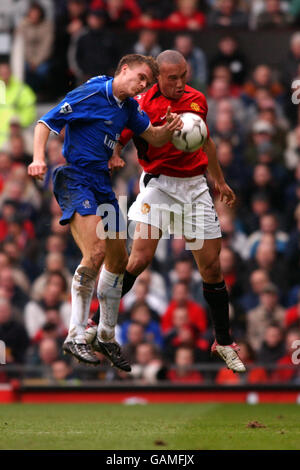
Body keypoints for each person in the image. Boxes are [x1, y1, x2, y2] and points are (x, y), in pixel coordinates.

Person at [87, 50, 246, 373]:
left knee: (212, 269)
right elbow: (121, 135)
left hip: (195, 188)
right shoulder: (143, 103)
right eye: (172, 78)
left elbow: (206, 142)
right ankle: (94, 324)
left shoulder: (197, 99)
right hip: (158, 186)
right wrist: (116, 153)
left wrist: (219, 181)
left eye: (183, 76)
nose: (179, 83)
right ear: (158, 77)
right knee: (139, 258)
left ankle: (223, 342)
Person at [28, 53, 182, 369]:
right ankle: (74, 335)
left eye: (147, 83)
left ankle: (105, 335)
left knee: (118, 258)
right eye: (140, 78)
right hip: (76, 179)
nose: (142, 86)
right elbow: (45, 122)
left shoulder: (128, 108)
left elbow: (152, 135)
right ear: (123, 70)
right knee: (96, 252)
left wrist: (172, 128)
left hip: (102, 185)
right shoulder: (92, 91)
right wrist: (38, 158)